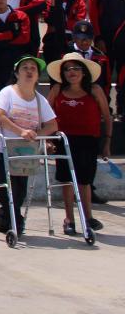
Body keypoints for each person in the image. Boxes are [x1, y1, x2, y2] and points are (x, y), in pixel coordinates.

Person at [0, 55, 58, 234]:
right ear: (17, 73)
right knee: (5, 189)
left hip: (24, 150)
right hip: (1, 148)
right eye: (25, 67)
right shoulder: (7, 92)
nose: (29, 71)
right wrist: (21, 132)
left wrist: (36, 135)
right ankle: (15, 220)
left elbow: (52, 124)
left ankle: (7, 218)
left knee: (20, 191)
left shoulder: (40, 99)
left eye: (33, 68)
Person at [46, 53, 111, 234]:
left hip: (89, 141)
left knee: (85, 181)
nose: (71, 72)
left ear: (84, 72)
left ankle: (88, 217)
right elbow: (46, 116)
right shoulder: (57, 90)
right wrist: (49, 140)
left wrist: (107, 143)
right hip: (64, 141)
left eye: (75, 68)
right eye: (67, 69)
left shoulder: (95, 90)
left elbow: (107, 116)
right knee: (67, 181)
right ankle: (69, 219)